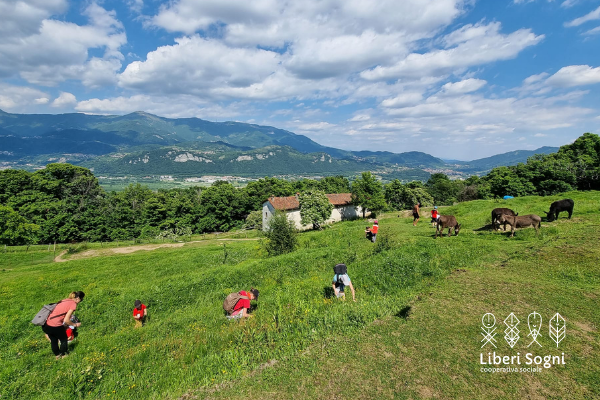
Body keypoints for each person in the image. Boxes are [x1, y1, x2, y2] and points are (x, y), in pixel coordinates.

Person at [42, 291, 84, 359]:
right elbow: (66, 320)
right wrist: (75, 324)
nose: (81, 301)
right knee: (63, 339)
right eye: (81, 299)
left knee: (53, 340)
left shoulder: (64, 300)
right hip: (55, 325)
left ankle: (57, 356)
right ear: (78, 298)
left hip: (46, 324)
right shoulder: (73, 304)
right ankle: (64, 355)